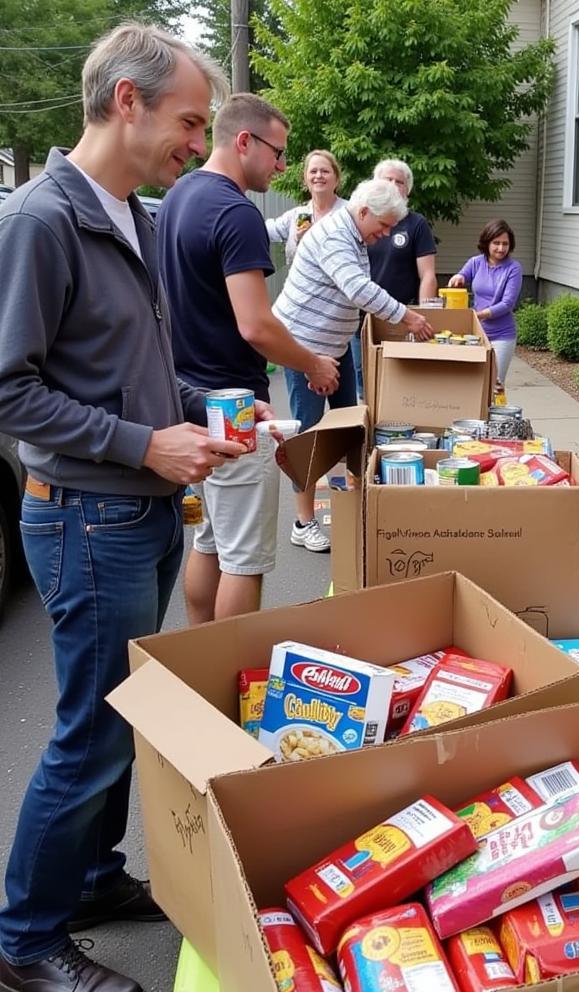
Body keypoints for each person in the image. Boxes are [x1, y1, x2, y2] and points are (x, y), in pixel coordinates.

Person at [0, 23, 252, 992]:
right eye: (190, 120)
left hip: (136, 513)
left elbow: (130, 371)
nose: (199, 140)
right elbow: (10, 390)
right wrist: (145, 445)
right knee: (90, 734)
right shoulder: (41, 220)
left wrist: (205, 412)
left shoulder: (134, 216)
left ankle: (94, 874)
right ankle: (22, 937)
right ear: (126, 102)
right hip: (86, 519)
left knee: (119, 717)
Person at [158, 93, 340, 622]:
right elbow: (256, 325)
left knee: (211, 541)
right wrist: (312, 363)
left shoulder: (177, 197)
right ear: (244, 141)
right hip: (235, 407)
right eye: (278, 152)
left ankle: (200, 649)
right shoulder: (235, 212)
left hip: (185, 398)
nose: (283, 166)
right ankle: (232, 677)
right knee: (244, 559)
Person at [273, 178, 433, 548]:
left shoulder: (355, 234)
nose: (387, 233)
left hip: (333, 348)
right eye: (383, 225)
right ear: (363, 212)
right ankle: (303, 522)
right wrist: (408, 317)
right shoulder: (334, 235)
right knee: (309, 437)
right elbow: (358, 289)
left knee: (351, 428)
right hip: (302, 347)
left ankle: (357, 507)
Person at [352, 158, 438, 400]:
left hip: (403, 316)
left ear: (407, 189)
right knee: (365, 381)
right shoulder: (359, 223)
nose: (392, 185)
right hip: (361, 317)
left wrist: (425, 314)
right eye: (387, 179)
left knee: (402, 380)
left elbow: (428, 274)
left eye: (398, 181)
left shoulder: (416, 224)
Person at [448, 219, 523, 393]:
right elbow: (462, 275)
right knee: (471, 383)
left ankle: (496, 419)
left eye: (505, 244)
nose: (501, 248)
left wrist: (481, 314)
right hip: (476, 334)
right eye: (496, 243)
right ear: (487, 243)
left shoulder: (514, 268)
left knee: (495, 386)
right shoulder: (476, 262)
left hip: (502, 336)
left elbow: (507, 303)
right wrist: (458, 277)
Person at [265, 149, 345, 266]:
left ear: (336, 178)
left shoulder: (350, 212)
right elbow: (262, 230)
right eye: (313, 171)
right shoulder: (296, 216)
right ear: (305, 179)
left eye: (325, 171)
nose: (318, 175)